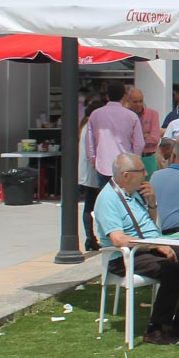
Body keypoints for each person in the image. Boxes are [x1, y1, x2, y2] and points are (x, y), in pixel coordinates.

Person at [93, 153, 179, 346]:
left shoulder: (135, 194)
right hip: (124, 256)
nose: (146, 174)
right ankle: (156, 328)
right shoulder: (108, 199)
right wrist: (154, 245)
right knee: (171, 270)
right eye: (141, 171)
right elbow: (118, 239)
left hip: (150, 247)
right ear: (126, 175)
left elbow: (150, 225)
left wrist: (152, 203)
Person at [87, 81, 144, 187]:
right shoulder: (131, 116)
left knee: (106, 198)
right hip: (126, 165)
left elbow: (90, 141)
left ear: (107, 96)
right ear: (124, 96)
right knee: (125, 198)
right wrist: (135, 160)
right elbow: (139, 143)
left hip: (103, 164)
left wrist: (93, 159)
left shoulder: (95, 114)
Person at [79, 97, 106, 251]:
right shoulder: (92, 126)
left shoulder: (84, 126)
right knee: (93, 206)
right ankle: (91, 237)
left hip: (88, 174)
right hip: (95, 172)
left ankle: (90, 237)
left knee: (88, 206)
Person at [126, 88, 161, 177]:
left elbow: (155, 139)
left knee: (150, 186)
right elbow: (124, 139)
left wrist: (135, 139)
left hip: (148, 158)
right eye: (135, 102)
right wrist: (144, 136)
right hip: (130, 159)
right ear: (129, 101)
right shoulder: (125, 115)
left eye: (140, 101)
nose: (139, 104)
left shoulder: (153, 114)